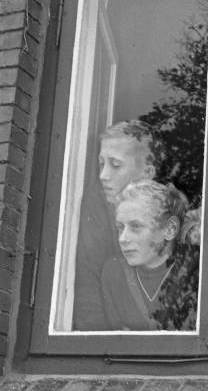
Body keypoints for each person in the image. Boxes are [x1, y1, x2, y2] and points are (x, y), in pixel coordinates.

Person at [72, 120, 165, 330]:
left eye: (115, 165)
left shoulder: (166, 210)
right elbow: (88, 285)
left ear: (147, 174)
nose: (103, 175)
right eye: (101, 163)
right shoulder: (95, 206)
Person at [99, 180, 199, 331]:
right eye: (120, 228)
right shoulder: (114, 274)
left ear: (170, 229)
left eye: (136, 227)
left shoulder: (196, 272)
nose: (123, 238)